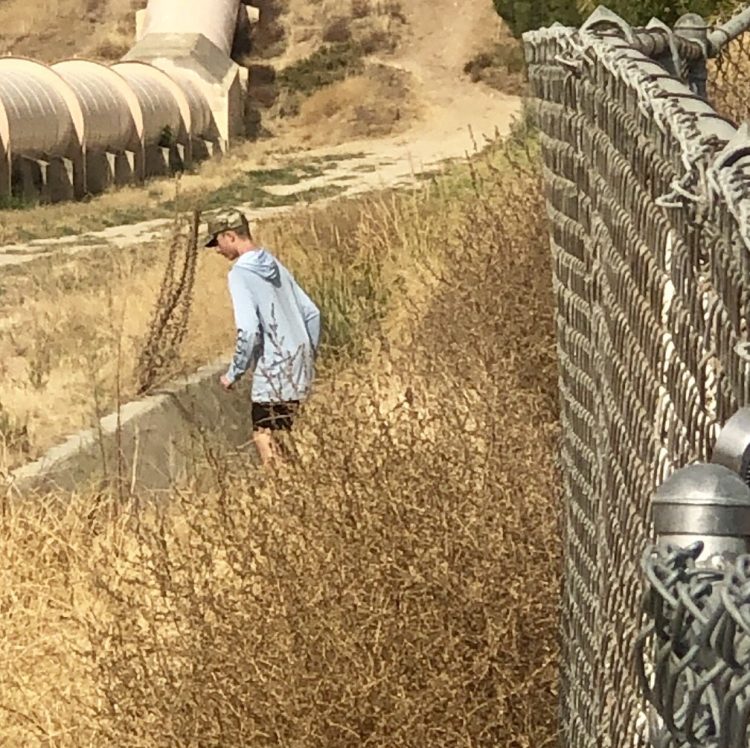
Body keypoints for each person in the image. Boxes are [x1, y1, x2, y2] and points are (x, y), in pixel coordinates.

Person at [204, 208, 321, 468]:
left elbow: (248, 330)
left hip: (274, 368)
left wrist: (234, 373)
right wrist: (309, 355)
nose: (217, 249)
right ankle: (303, 486)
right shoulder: (273, 263)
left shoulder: (240, 275)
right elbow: (312, 313)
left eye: (218, 242)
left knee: (263, 436)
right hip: (300, 362)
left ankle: (283, 494)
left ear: (230, 236)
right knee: (284, 434)